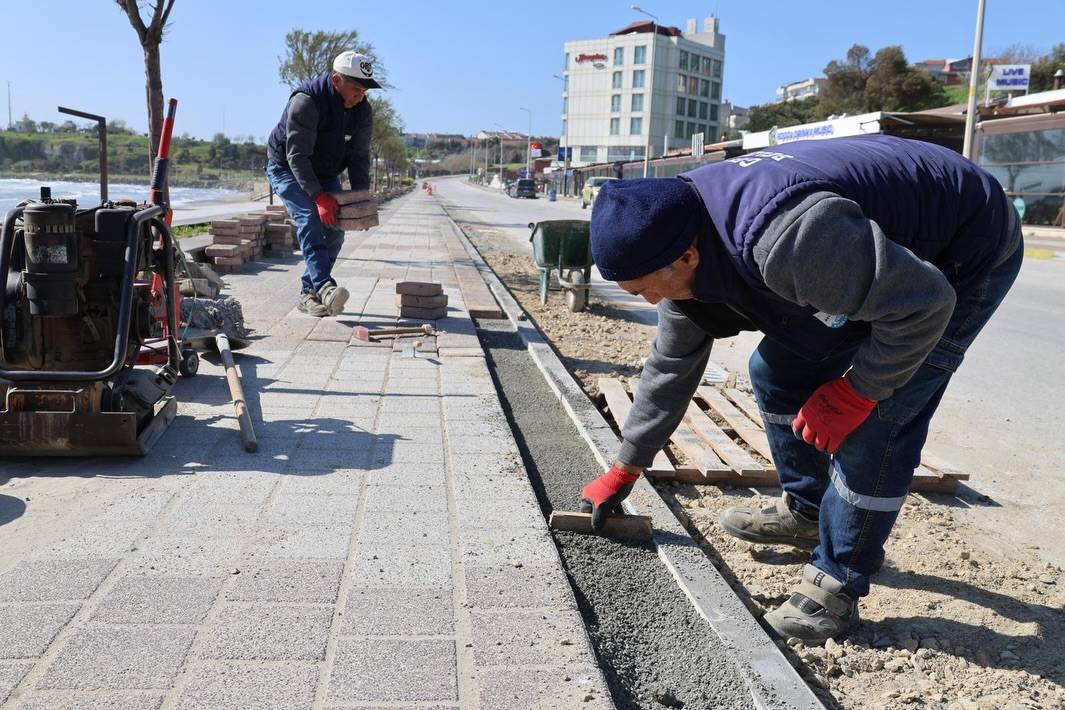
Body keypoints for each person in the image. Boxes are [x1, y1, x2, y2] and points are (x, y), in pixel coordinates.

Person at [579, 135, 1022, 643]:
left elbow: (924, 304)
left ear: (688, 256)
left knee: (882, 417)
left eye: (646, 289)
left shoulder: (788, 240)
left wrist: (859, 392)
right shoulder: (673, 234)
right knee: (776, 371)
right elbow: (672, 364)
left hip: (962, 245)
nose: (651, 301)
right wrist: (626, 466)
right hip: (870, 258)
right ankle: (809, 512)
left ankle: (837, 583)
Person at [265, 51, 380, 317]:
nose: (360, 96)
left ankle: (308, 293)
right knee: (309, 217)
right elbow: (297, 156)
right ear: (337, 80)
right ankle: (325, 287)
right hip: (287, 167)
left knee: (336, 228)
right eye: (356, 90)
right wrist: (318, 197)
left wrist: (360, 201)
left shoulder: (362, 110)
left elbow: (359, 157)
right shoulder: (306, 102)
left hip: (325, 171)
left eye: (364, 91)